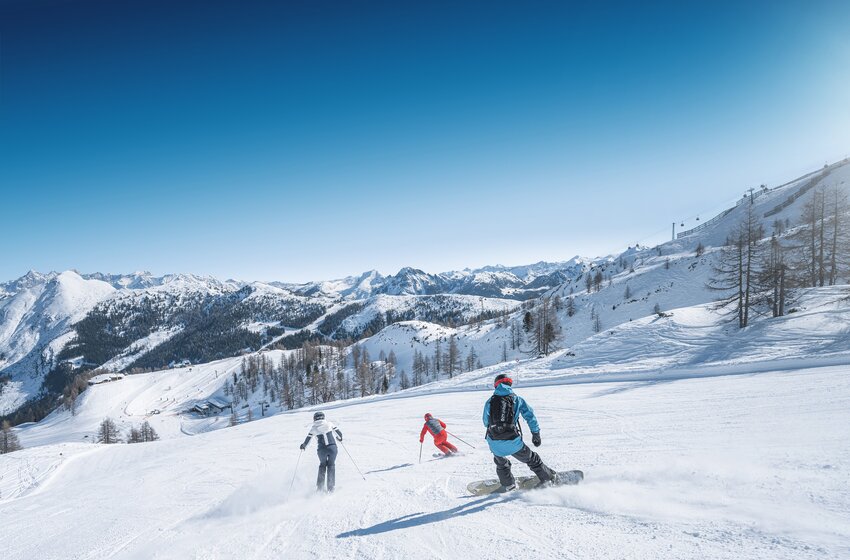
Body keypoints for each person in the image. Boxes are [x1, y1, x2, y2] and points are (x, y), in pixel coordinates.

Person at [483, 373, 556, 491]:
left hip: (494, 442)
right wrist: (535, 434)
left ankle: (508, 484)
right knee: (533, 459)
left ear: (496, 385)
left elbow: (486, 422)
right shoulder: (517, 399)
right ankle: (547, 478)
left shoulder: (490, 401)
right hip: (513, 441)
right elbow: (530, 417)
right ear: (509, 384)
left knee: (501, 462)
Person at [300, 411, 343, 492]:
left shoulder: (313, 428)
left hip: (321, 450)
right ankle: (331, 488)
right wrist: (339, 439)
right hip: (332, 448)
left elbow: (307, 439)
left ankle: (320, 488)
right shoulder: (329, 424)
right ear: (323, 417)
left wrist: (303, 446)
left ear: (314, 419)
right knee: (331, 465)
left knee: (322, 465)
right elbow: (339, 433)